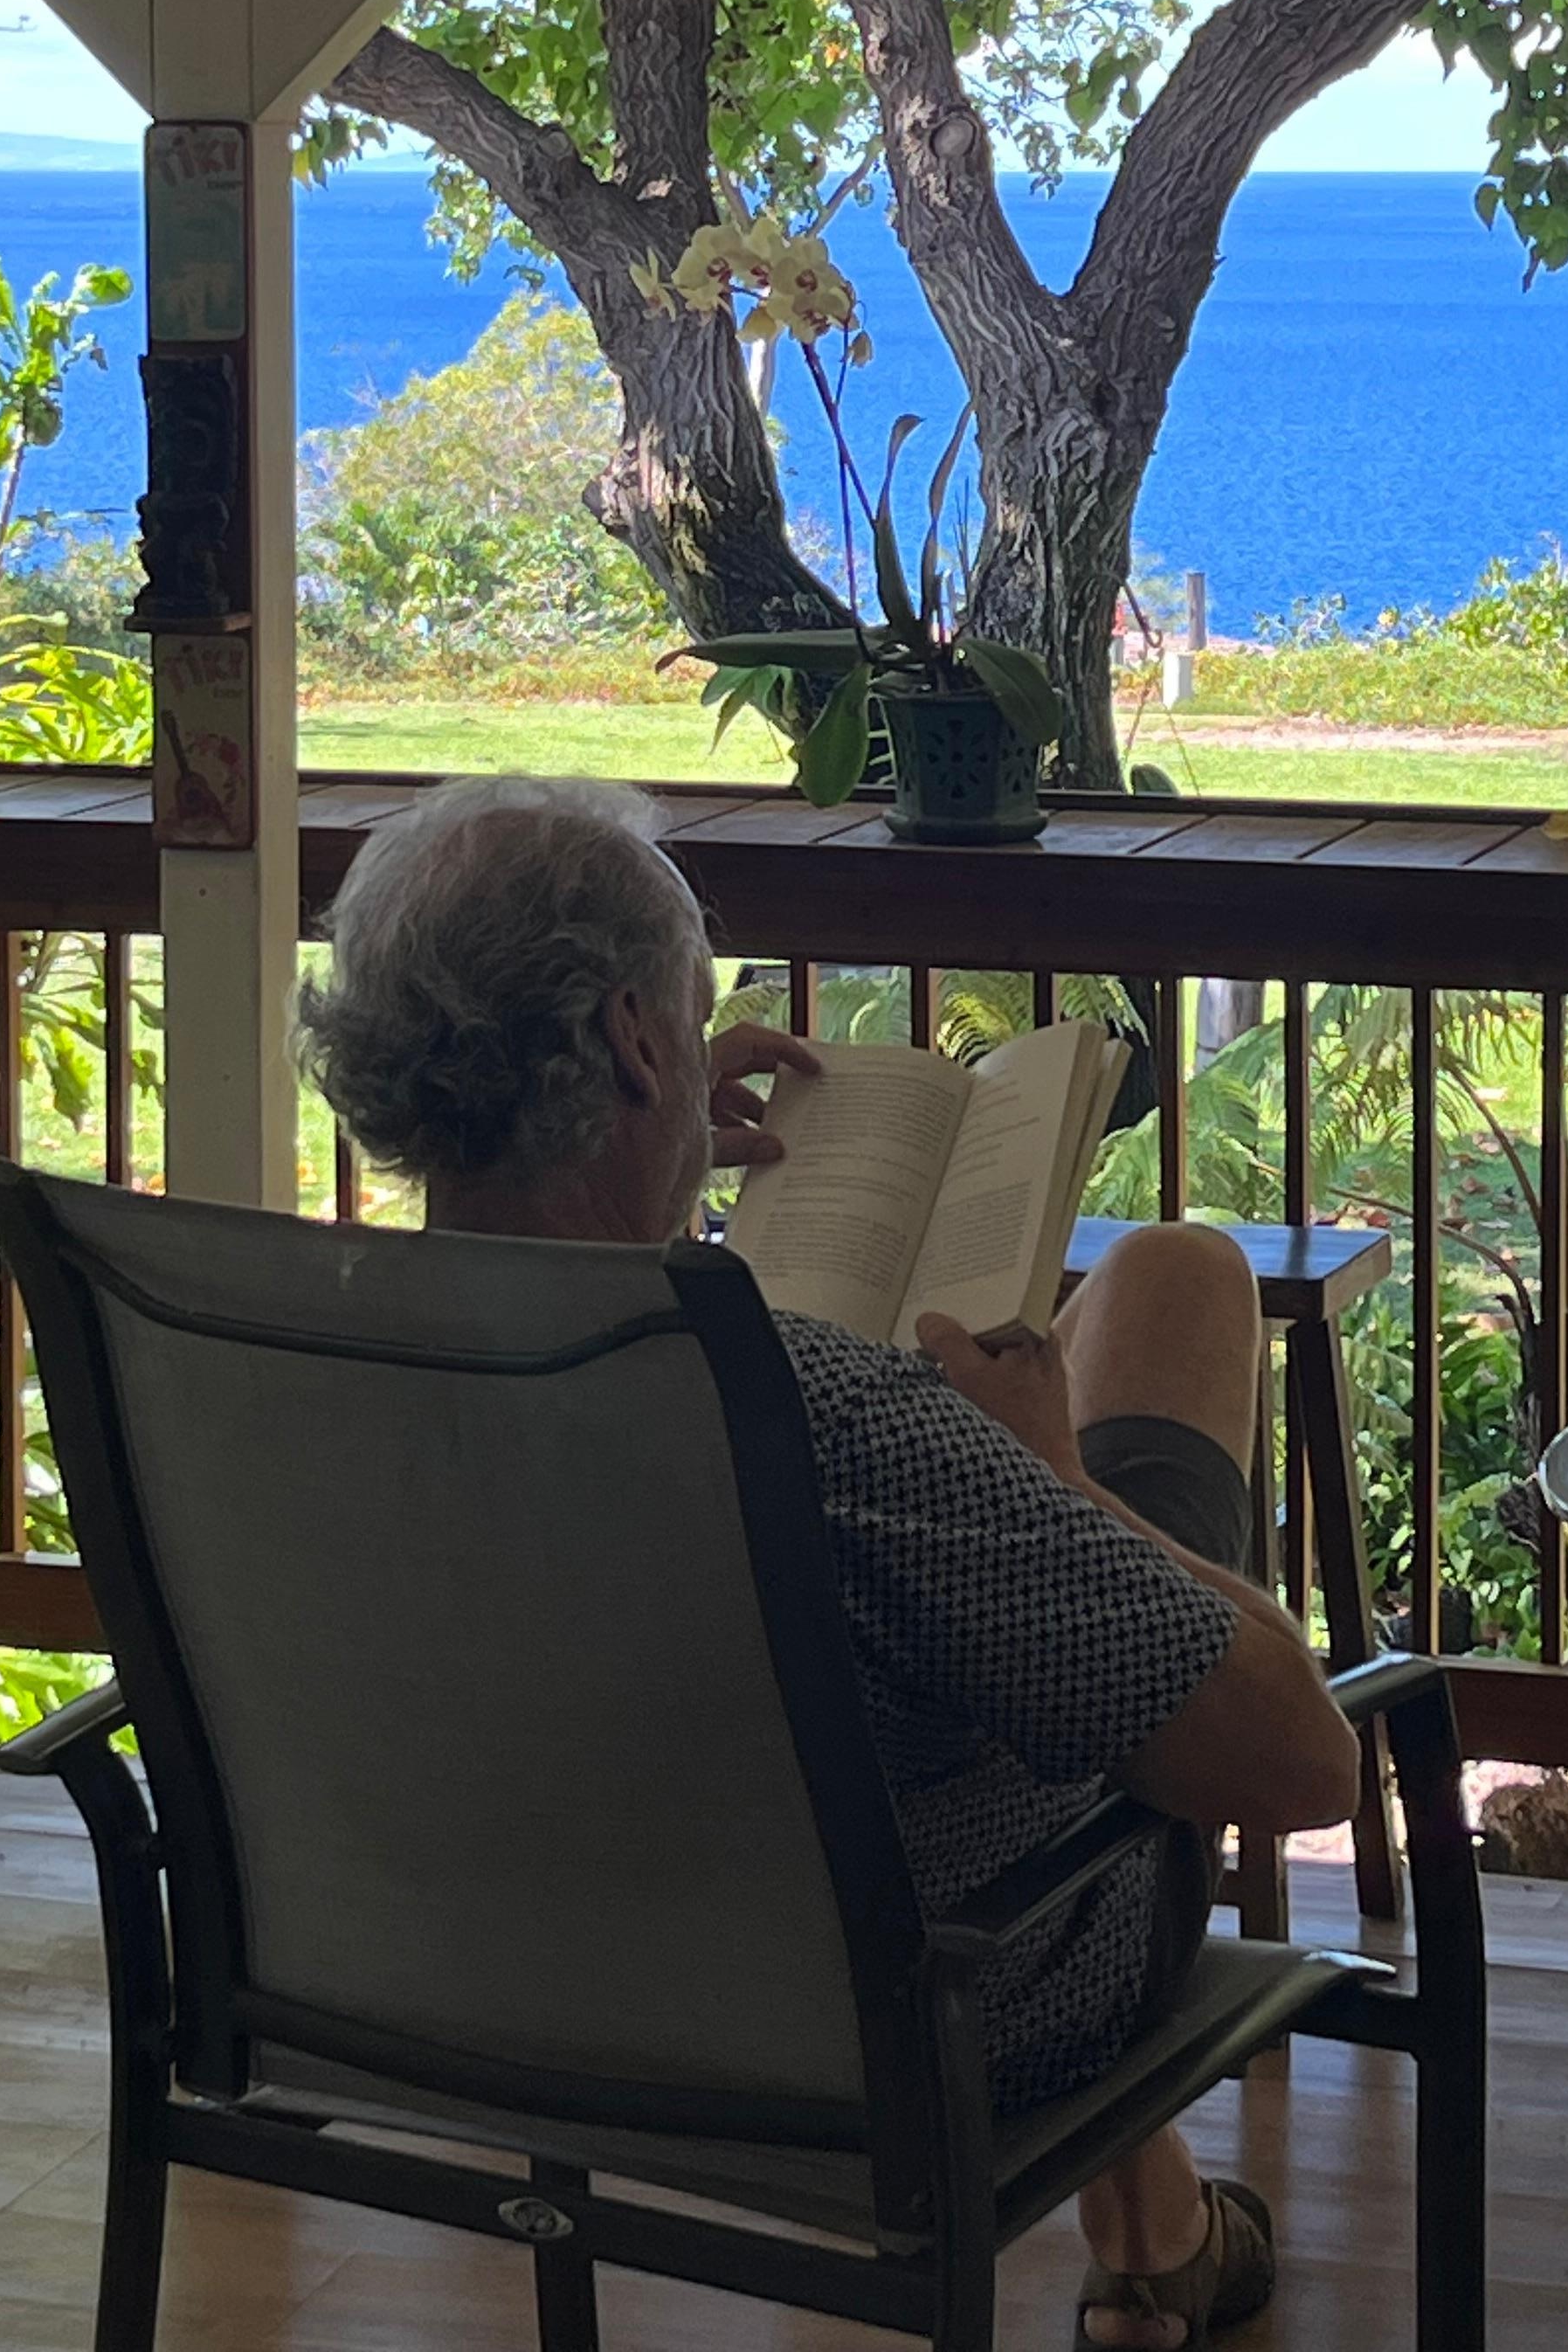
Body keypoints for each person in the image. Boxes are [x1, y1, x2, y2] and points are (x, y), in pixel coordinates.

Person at [294, 776, 1360, 2352]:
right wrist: (1046, 1478)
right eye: (677, 1016)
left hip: (448, 1982)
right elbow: (1300, 1760)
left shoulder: (293, 1360)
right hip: (889, 2013)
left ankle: (1161, 2233)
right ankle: (1159, 2243)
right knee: (1181, 1284)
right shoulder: (819, 1421)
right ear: (637, 1046)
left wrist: (646, 1156)